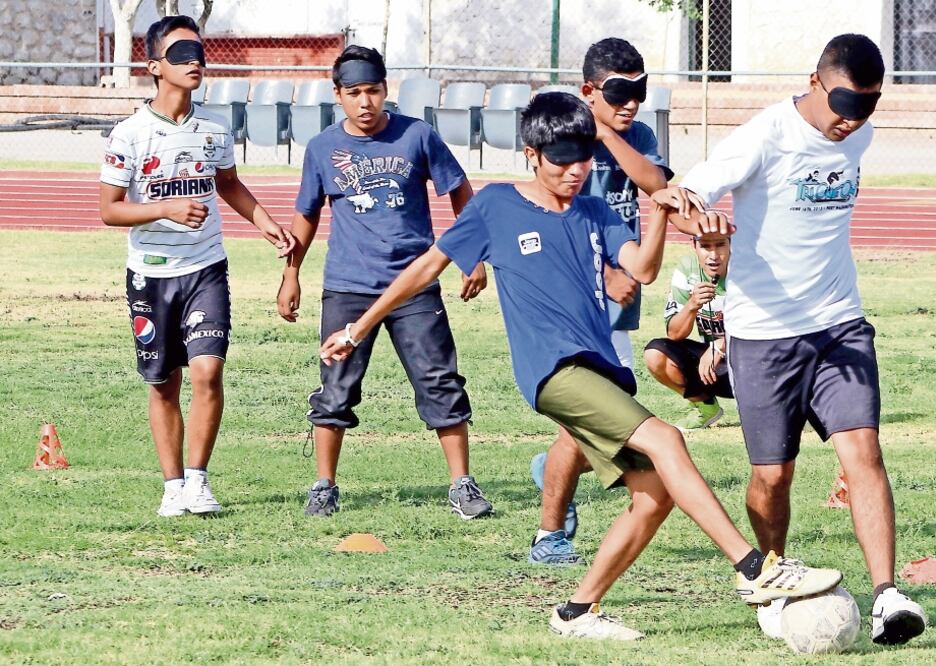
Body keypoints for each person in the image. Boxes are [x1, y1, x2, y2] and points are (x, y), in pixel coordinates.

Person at [318, 92, 844, 640]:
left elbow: (641, 269)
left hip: (595, 370)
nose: (575, 171)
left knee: (655, 494)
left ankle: (577, 611)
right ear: (531, 154)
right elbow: (427, 266)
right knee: (667, 440)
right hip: (552, 373)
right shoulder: (495, 206)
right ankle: (755, 569)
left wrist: (660, 211)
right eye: (560, 161)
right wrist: (358, 328)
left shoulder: (595, 211)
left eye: (584, 159)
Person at [678, 34, 926, 645]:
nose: (851, 120)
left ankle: (887, 596)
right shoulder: (766, 134)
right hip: (764, 334)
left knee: (863, 453)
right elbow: (690, 192)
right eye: (843, 103)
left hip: (839, 322)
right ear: (816, 82)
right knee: (773, 477)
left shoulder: (857, 132)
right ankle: (772, 578)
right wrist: (697, 215)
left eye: (866, 107)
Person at [276, 45, 493, 520]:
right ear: (338, 95)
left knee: (440, 381)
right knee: (336, 386)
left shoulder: (417, 135)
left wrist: (471, 253)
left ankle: (462, 484)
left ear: (385, 89)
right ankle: (324, 485)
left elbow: (460, 190)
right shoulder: (322, 148)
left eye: (373, 90)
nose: (365, 102)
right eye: (354, 93)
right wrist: (291, 273)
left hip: (414, 285)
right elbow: (306, 215)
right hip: (348, 286)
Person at [99, 15, 295, 517]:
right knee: (163, 383)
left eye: (198, 54)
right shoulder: (129, 134)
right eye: (181, 55)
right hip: (150, 275)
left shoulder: (214, 127)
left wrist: (265, 222)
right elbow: (109, 209)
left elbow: (227, 185)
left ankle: (198, 481)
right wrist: (165, 208)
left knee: (208, 371)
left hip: (206, 268)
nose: (194, 64)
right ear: (154, 66)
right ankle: (171, 487)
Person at [528, 37, 672, 565]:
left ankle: (552, 474)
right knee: (591, 421)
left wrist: (609, 131)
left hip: (620, 297)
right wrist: (605, 271)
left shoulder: (636, 133)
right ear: (589, 90)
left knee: (600, 423)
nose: (631, 101)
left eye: (640, 90)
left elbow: (655, 184)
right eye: (618, 92)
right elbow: (550, 210)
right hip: (576, 300)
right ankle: (551, 534)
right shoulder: (564, 130)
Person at [643, 232, 733, 431]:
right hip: (714, 366)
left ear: (730, 245)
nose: (713, 255)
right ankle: (705, 407)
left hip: (755, 362)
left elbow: (769, 326)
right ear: (694, 246)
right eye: (705, 246)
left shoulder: (747, 270)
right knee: (656, 353)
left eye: (720, 245)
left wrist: (719, 345)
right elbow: (675, 334)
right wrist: (692, 305)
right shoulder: (687, 268)